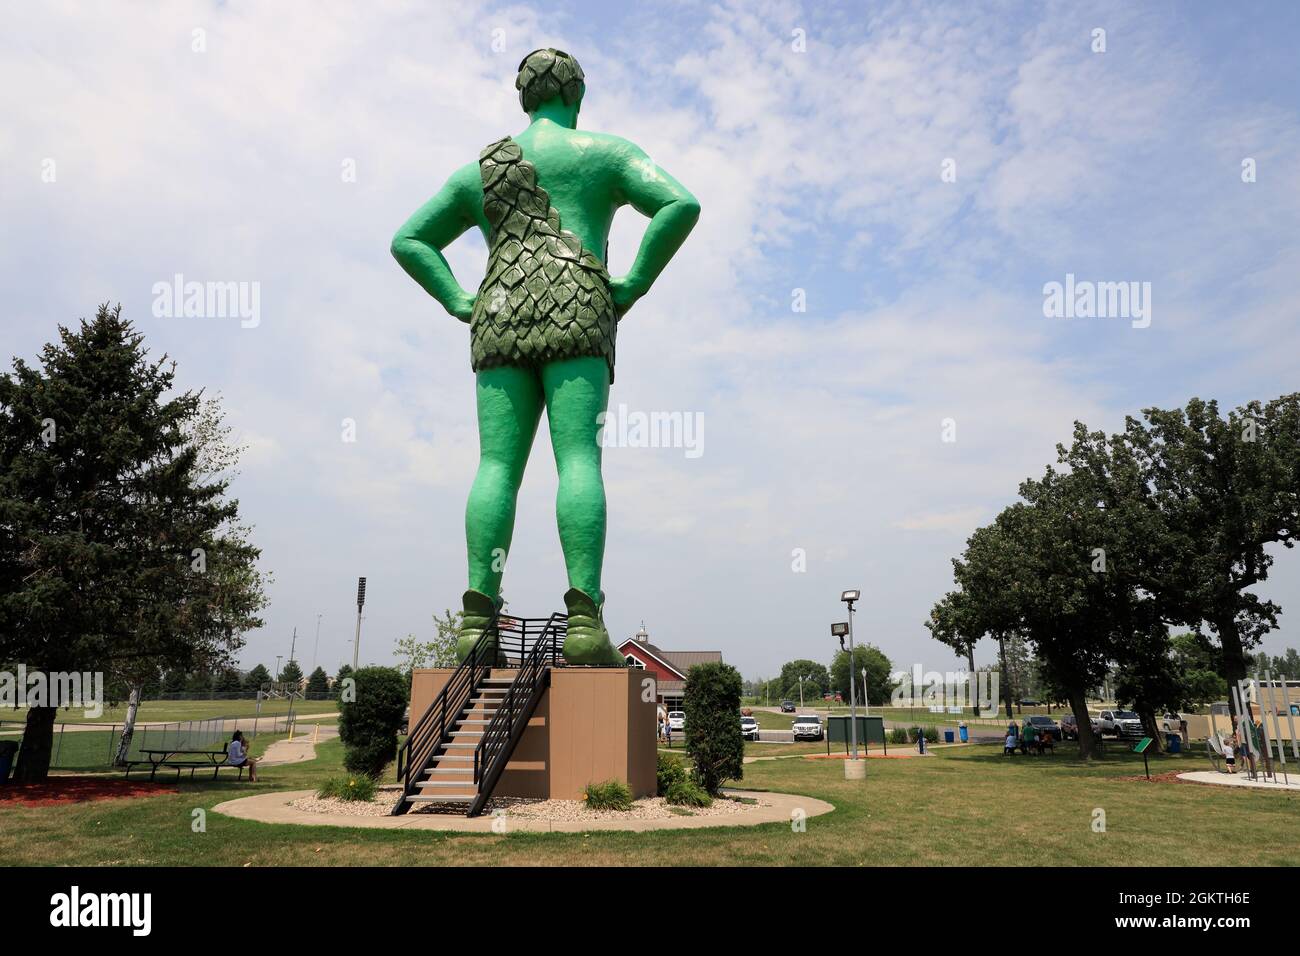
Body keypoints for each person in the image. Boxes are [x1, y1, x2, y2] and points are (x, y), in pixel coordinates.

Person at [392, 49, 699, 665]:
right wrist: (633, 284)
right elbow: (680, 204)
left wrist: (459, 299)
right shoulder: (606, 153)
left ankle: (477, 626)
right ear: (577, 96)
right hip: (581, 308)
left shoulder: (478, 172)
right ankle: (585, 625)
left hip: (499, 315)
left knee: (496, 467)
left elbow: (409, 239)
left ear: (524, 99)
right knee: (578, 459)